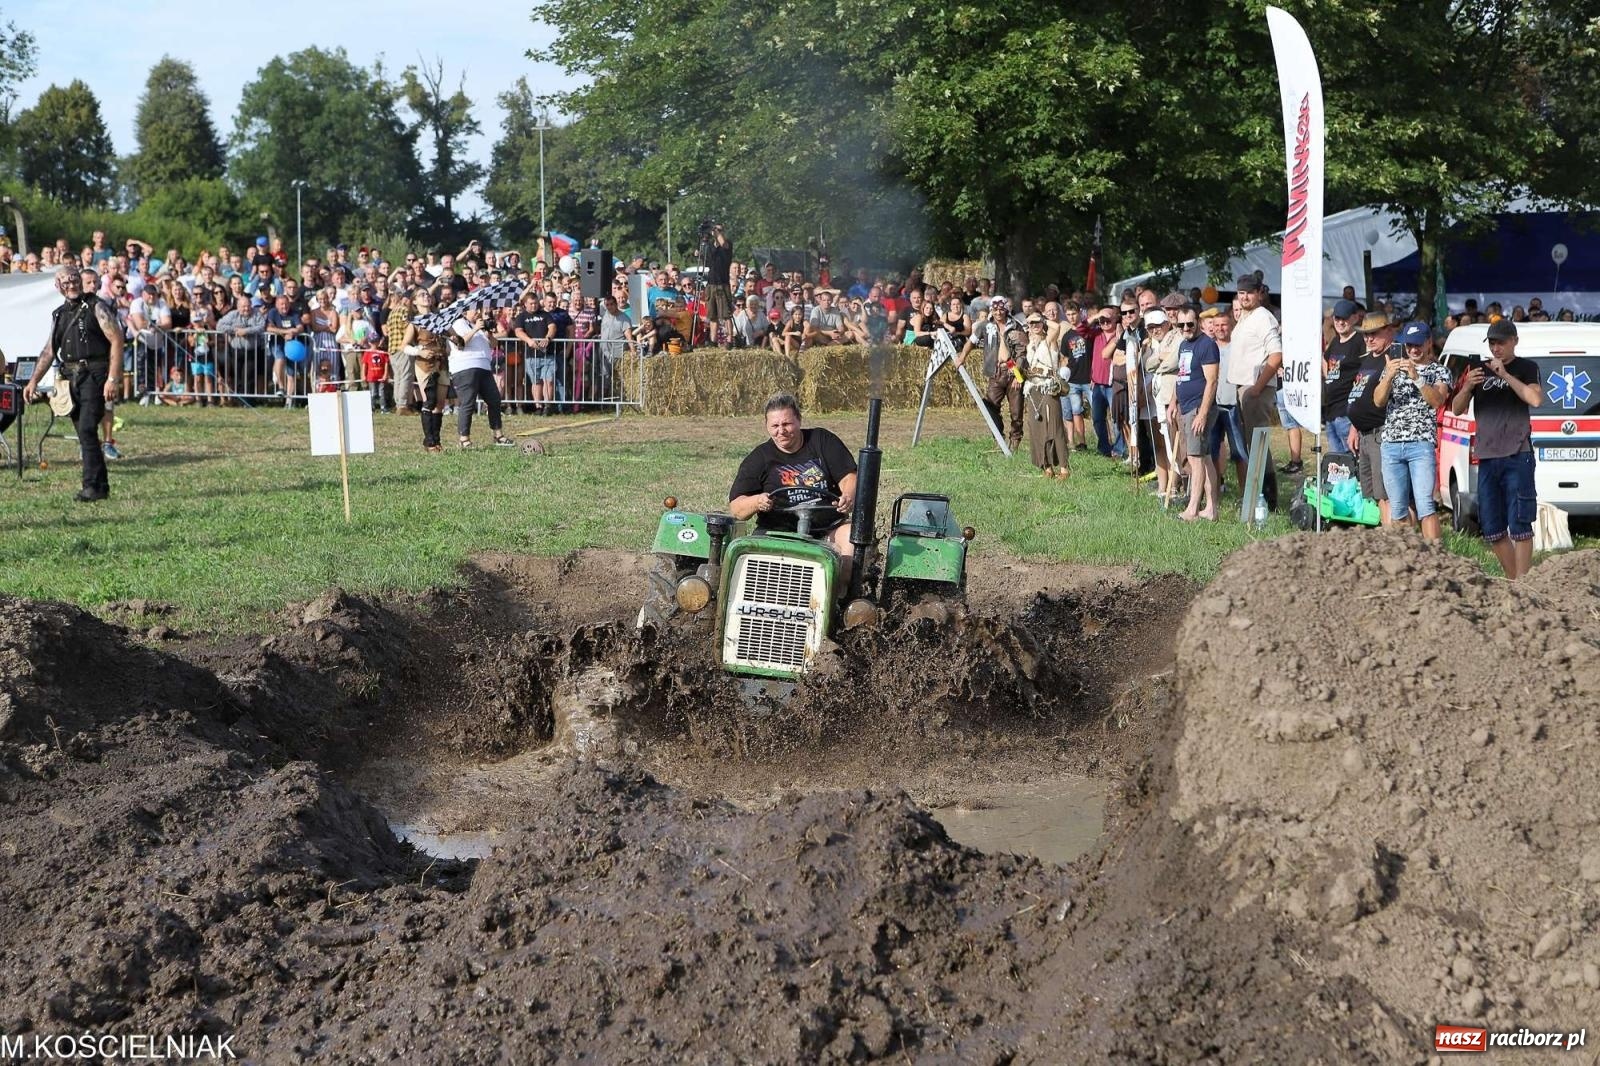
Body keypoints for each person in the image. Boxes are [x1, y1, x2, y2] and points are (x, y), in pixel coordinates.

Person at [728, 393, 859, 582]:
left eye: (787, 424)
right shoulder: (759, 458)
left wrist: (847, 495)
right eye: (775, 426)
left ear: (799, 420)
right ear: (766, 426)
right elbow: (737, 508)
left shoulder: (822, 440)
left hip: (827, 530)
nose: (781, 431)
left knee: (851, 537)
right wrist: (757, 501)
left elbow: (849, 476)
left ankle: (843, 599)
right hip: (777, 532)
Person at [23, 267, 125, 501]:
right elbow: (49, 350)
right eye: (65, 282)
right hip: (72, 379)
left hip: (95, 375)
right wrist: (33, 381)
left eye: (74, 280)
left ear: (81, 281)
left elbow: (116, 338)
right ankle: (101, 487)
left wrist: (112, 378)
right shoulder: (59, 314)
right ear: (57, 286)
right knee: (84, 433)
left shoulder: (96, 306)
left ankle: (91, 486)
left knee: (88, 428)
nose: (71, 285)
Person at [1451, 319, 1542, 578]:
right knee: (1492, 528)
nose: (1496, 348)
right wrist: (1468, 385)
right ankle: (1514, 581)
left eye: (1501, 342)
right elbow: (1456, 409)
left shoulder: (1527, 367)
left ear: (1514, 340)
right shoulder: (1478, 369)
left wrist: (1505, 375)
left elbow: (1535, 398)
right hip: (1488, 456)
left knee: (1521, 525)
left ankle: (1522, 584)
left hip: (1518, 453)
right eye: (1492, 343)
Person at [1373, 321, 1451, 539]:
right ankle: (1403, 558)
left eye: (1418, 345)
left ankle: (1434, 558)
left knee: (1425, 504)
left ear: (1428, 343)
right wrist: (1388, 375)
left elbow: (1437, 401)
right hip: (1391, 444)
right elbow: (1378, 401)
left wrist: (1416, 377)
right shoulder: (1392, 369)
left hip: (1421, 444)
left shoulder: (1439, 371)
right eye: (1409, 345)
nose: (1413, 350)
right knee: (1397, 507)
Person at [1229, 275, 1284, 509]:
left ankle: (1265, 500)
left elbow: (1276, 355)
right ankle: (1258, 497)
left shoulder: (1263, 317)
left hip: (1256, 389)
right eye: (1241, 293)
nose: (1244, 297)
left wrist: (1257, 387)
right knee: (1252, 444)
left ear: (1259, 293)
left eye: (1249, 293)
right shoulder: (1245, 317)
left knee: (1258, 443)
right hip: (1242, 387)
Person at [1343, 313, 1397, 524]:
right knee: (1375, 494)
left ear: (1388, 331)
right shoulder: (1368, 358)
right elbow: (1360, 392)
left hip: (1381, 432)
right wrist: (1354, 428)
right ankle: (1388, 535)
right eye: (1365, 335)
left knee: (1386, 494)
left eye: (1374, 334)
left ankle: (1394, 541)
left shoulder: (1392, 357)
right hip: (1364, 433)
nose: (1369, 339)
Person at [1171, 307, 1221, 520]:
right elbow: (1181, 375)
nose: (1185, 328)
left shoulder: (1207, 345)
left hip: (1198, 408)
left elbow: (1212, 381)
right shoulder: (1184, 345)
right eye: (1181, 325)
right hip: (1185, 406)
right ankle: (1211, 508)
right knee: (1205, 457)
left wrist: (1202, 414)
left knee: (1195, 458)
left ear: (1198, 323)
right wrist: (1173, 401)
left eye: (1189, 324)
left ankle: (1192, 508)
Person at [447, 308, 515, 448]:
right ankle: (464, 438)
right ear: (465, 312)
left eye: (479, 309)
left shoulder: (479, 327)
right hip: (465, 367)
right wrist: (476, 329)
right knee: (468, 402)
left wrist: (488, 333)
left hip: (484, 366)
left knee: (494, 399)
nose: (478, 312)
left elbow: (494, 345)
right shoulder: (458, 323)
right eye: (474, 310)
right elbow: (460, 343)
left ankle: (498, 435)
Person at [1020, 314, 1071, 481]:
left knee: (1054, 427)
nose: (1034, 325)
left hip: (1049, 387)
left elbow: (1056, 327)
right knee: (1037, 429)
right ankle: (1046, 466)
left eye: (1037, 323)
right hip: (1033, 388)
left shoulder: (1049, 341)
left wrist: (1041, 318)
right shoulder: (1030, 345)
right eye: (1031, 323)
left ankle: (1064, 468)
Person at [402, 290, 450, 452]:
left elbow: (449, 337)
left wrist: (452, 343)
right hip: (424, 364)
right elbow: (404, 346)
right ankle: (429, 442)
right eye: (421, 295)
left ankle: (437, 440)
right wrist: (419, 352)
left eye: (428, 294)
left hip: (442, 362)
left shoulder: (440, 319)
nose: (426, 296)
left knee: (440, 403)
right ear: (414, 302)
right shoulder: (415, 322)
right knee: (430, 400)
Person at [1322, 299, 1365, 456]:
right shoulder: (1335, 341)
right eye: (1337, 318)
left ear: (1354, 318)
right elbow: (1326, 361)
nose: (1340, 322)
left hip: (1346, 411)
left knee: (1352, 457)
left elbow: (1366, 373)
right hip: (1331, 411)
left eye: (1344, 319)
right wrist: (1329, 380)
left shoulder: (1360, 341)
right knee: (1337, 462)